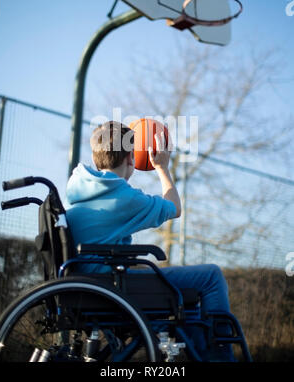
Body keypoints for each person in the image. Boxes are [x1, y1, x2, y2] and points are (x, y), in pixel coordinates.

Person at [64, 120, 235, 362]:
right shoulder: (126, 199)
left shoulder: (78, 192)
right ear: (130, 158)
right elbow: (174, 207)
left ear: (96, 159)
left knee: (187, 301)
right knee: (211, 276)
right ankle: (220, 358)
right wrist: (162, 167)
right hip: (112, 287)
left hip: (89, 285)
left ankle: (198, 353)